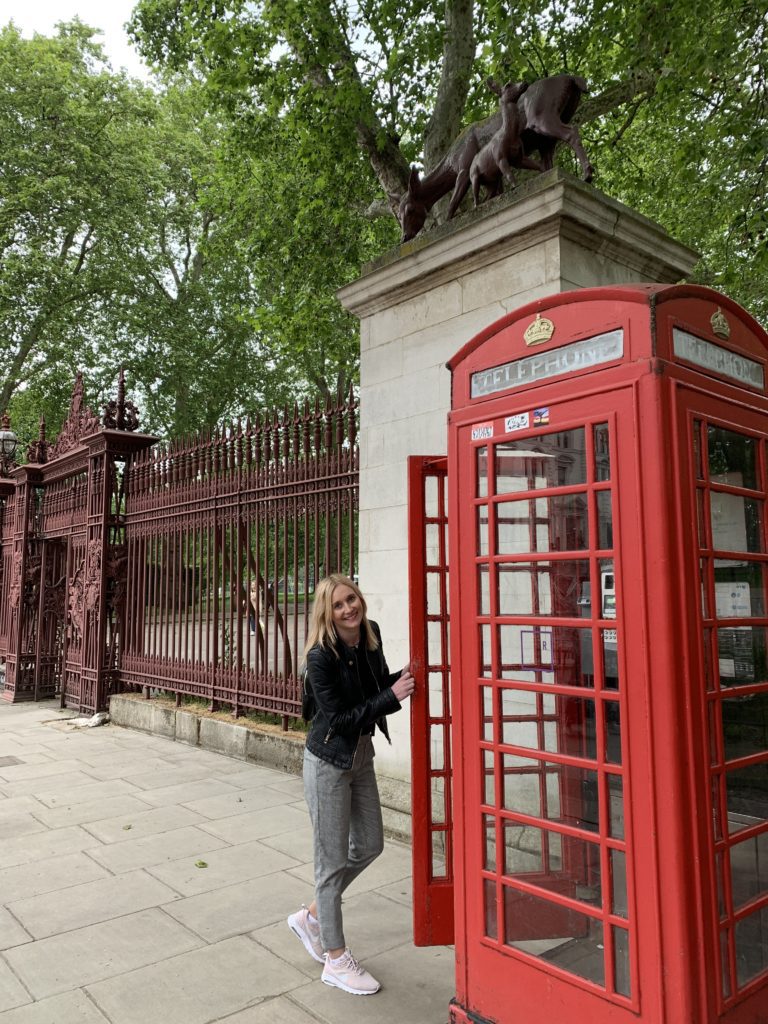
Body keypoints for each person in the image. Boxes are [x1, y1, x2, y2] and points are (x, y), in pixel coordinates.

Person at [287, 573, 415, 995]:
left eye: (351, 599)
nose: (348, 609)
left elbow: (376, 689)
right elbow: (340, 718)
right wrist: (393, 695)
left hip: (361, 756)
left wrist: (405, 678)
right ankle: (336, 959)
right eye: (339, 605)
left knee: (372, 843)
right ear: (328, 614)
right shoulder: (319, 658)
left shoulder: (370, 635)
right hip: (327, 762)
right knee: (331, 862)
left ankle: (311, 914)